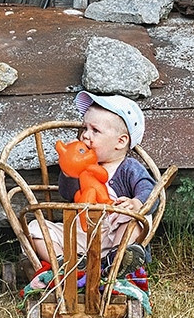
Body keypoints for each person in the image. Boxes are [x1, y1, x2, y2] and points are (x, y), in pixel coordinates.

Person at [26, 91, 156, 288]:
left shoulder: (129, 168)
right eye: (84, 128)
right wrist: (69, 172)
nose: (85, 135)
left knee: (139, 218)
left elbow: (149, 189)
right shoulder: (81, 168)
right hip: (79, 235)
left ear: (120, 142)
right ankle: (65, 263)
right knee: (35, 228)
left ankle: (117, 260)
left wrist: (136, 202)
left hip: (113, 232)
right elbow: (67, 194)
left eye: (95, 130)